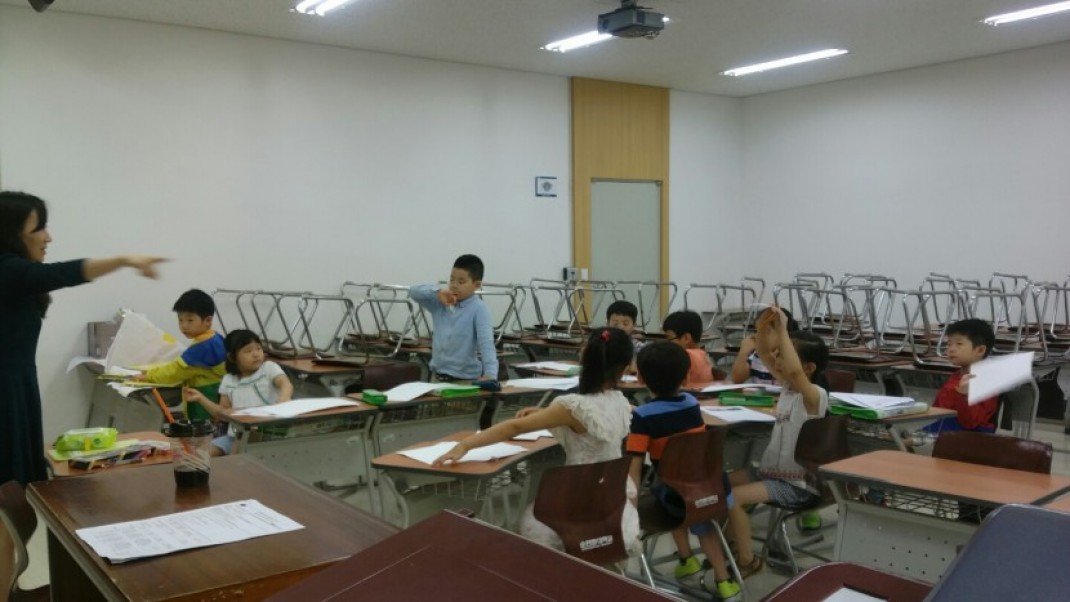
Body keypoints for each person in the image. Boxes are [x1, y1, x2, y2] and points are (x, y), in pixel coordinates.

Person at [0, 191, 165, 485]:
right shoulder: (6, 268)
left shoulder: (13, 274)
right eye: (39, 228)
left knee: (17, 479)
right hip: (6, 389)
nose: (48, 237)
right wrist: (123, 260)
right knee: (9, 480)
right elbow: (61, 274)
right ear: (11, 233)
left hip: (16, 384)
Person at [432, 328, 638, 552]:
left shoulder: (572, 407)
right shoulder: (621, 403)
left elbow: (514, 427)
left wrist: (465, 444)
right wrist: (545, 414)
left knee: (532, 519)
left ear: (584, 357)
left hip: (577, 504)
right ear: (624, 368)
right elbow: (593, 419)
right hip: (611, 503)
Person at [626, 342, 741, 601]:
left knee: (664, 490)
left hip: (678, 499)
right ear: (686, 378)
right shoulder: (691, 403)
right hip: (713, 490)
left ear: (640, 378)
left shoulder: (642, 416)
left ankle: (699, 566)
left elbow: (634, 467)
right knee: (682, 497)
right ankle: (717, 577)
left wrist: (630, 507)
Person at [726, 307, 830, 580]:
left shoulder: (814, 396)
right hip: (772, 473)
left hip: (797, 485)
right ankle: (731, 546)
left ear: (809, 368)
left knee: (733, 499)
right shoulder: (787, 387)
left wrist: (783, 328)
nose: (776, 360)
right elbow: (762, 353)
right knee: (719, 484)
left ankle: (748, 561)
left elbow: (794, 371)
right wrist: (764, 328)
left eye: (782, 355)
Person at [184, 330, 293, 456]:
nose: (256, 354)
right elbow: (222, 413)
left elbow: (285, 383)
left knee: (237, 453)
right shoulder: (228, 380)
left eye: (258, 348)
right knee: (197, 455)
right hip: (234, 437)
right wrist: (200, 398)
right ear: (232, 357)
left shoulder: (268, 368)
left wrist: (284, 397)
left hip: (265, 435)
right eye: (248, 351)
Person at [409, 254, 498, 384]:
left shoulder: (479, 309)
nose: (454, 286)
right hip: (437, 378)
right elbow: (413, 292)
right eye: (452, 280)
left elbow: (486, 343)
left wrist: (490, 374)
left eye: (461, 282)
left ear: (477, 285)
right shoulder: (440, 303)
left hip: (464, 381)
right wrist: (437, 292)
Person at [139, 289, 226, 420]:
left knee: (202, 431)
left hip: (204, 404)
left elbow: (175, 372)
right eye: (180, 320)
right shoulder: (215, 338)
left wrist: (148, 376)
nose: (184, 326)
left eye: (190, 320)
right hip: (216, 397)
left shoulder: (202, 347)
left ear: (208, 321)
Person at [925, 318, 999, 433]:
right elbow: (938, 410)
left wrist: (964, 396)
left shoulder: (985, 381)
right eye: (949, 344)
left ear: (980, 350)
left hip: (972, 435)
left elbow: (970, 423)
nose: (951, 349)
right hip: (946, 427)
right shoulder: (957, 376)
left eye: (959, 344)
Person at [730, 308, 800, 385]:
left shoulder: (793, 356)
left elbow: (790, 381)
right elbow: (737, 379)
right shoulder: (756, 355)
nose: (758, 336)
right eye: (757, 331)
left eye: (765, 332)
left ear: (783, 333)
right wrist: (743, 353)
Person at [662, 310, 714, 386]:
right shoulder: (703, 354)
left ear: (686, 338)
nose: (666, 343)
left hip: (687, 392)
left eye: (669, 339)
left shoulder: (684, 356)